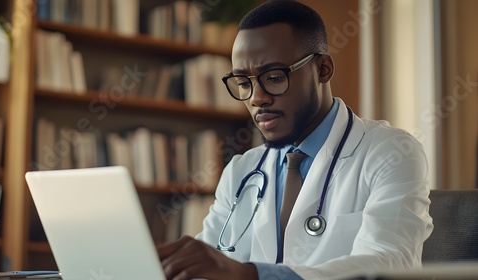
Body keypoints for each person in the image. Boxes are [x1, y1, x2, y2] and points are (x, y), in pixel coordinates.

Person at [157, 0, 433, 279]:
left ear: (323, 69)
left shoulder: (390, 152)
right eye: (243, 83)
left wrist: (251, 275)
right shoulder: (241, 171)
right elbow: (208, 264)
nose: (256, 98)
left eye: (274, 77)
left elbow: (389, 262)